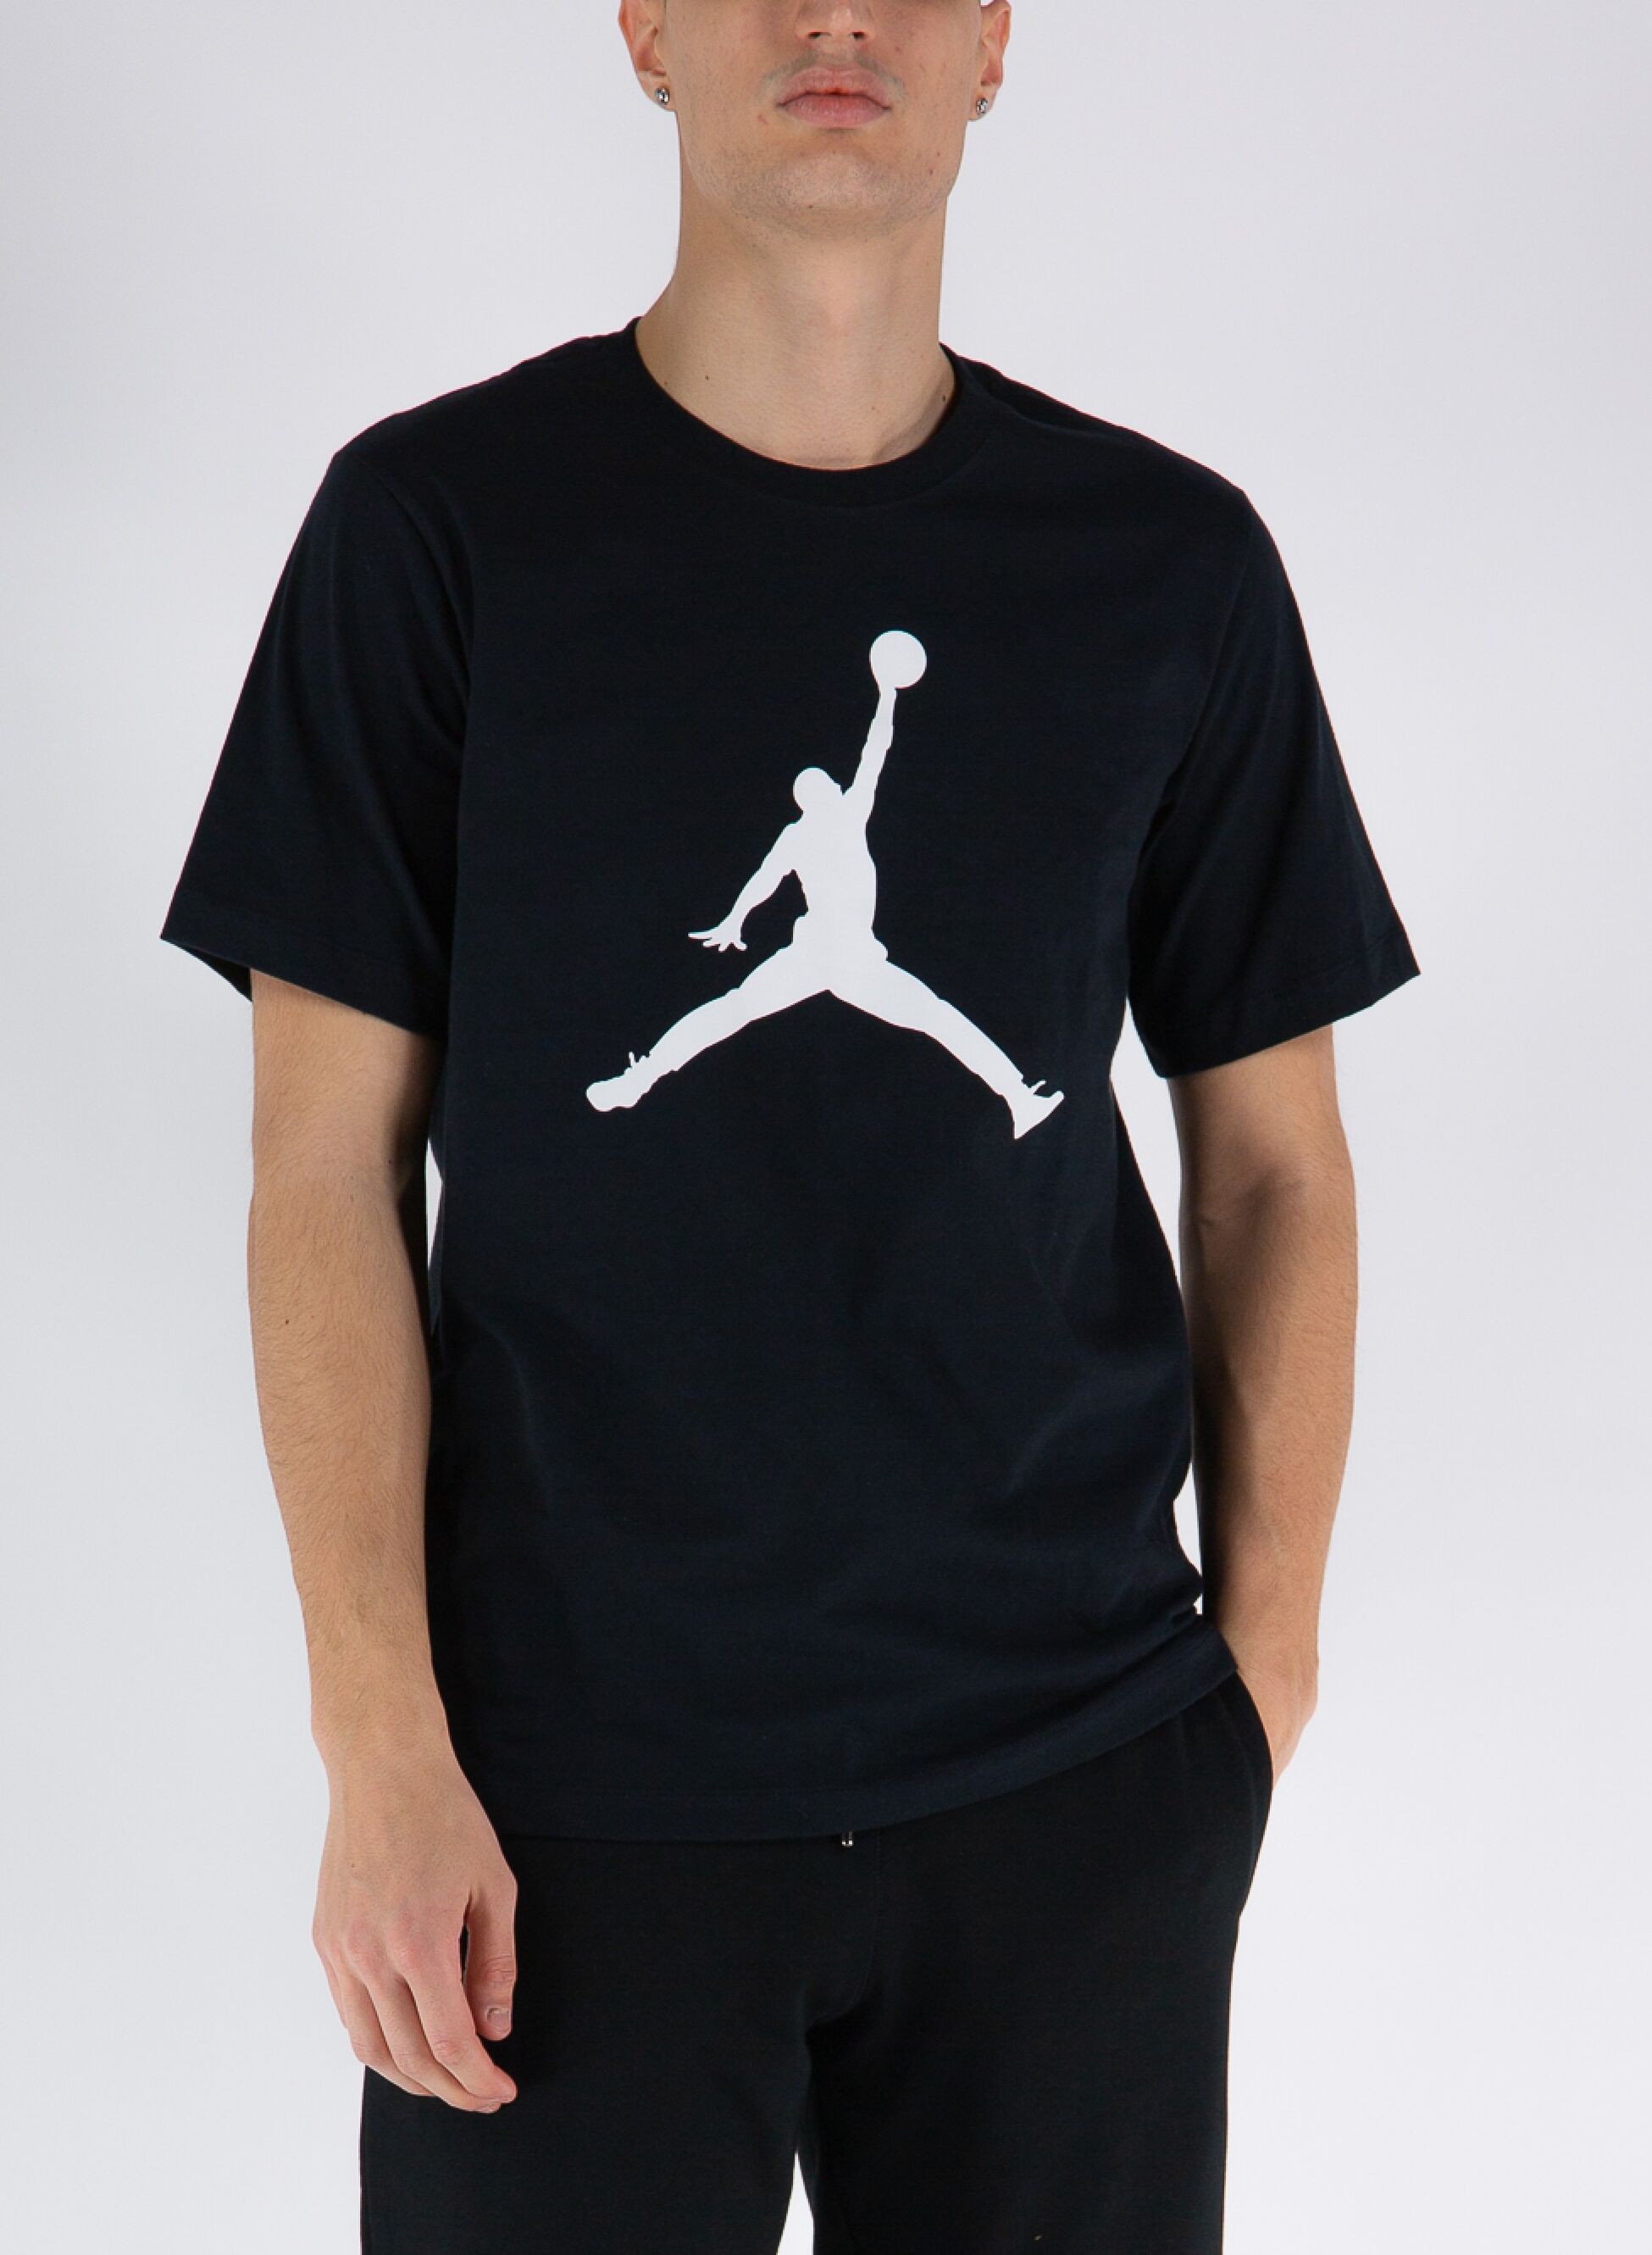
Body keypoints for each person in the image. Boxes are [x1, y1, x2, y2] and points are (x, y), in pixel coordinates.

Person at [158, 3, 1418, 2248]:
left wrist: (1262, 1682)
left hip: (1077, 1781)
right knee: (768, 1018)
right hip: (557, 1811)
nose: (840, 13)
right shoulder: (438, 531)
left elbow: (1276, 1165)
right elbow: (320, 1168)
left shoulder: (1168, 564)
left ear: (996, 41)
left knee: (917, 1020)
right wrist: (382, 1746)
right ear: (645, 26)